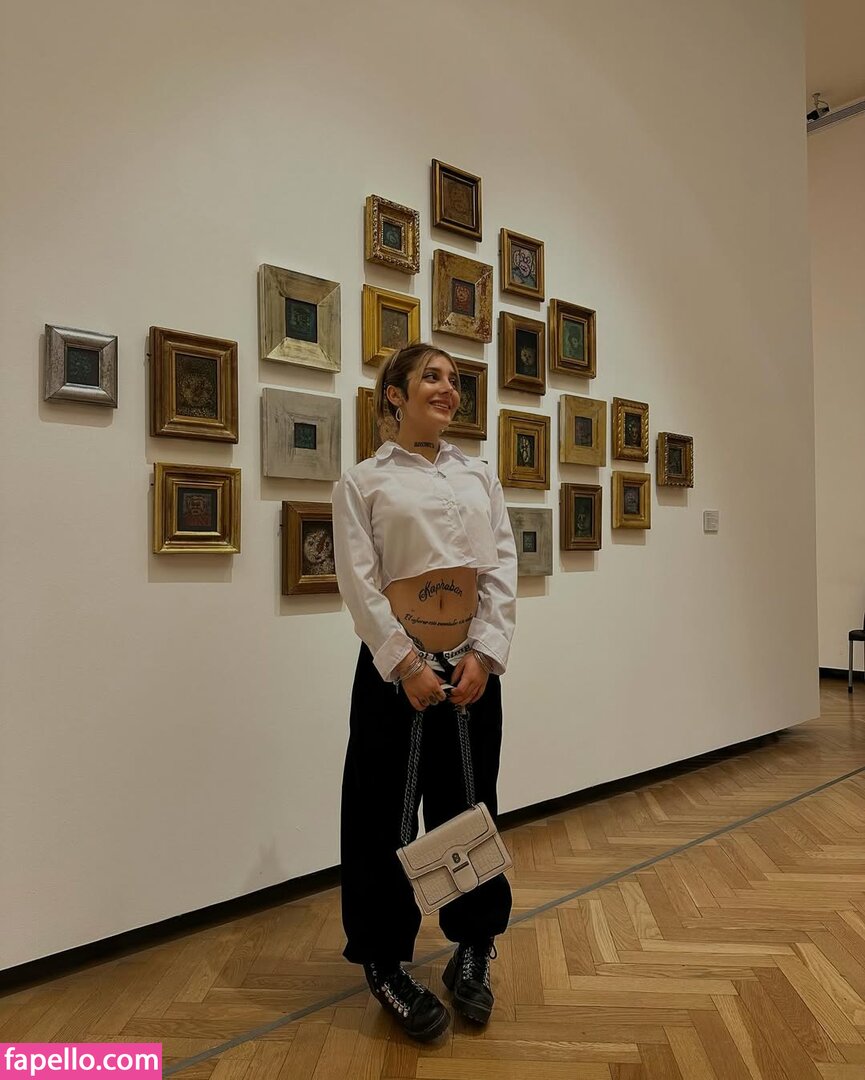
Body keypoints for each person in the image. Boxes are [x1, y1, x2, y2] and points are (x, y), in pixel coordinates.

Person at [332, 342, 517, 1041]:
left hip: (470, 672)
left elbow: (498, 568)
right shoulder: (364, 482)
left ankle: (473, 944)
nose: (448, 388)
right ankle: (384, 960)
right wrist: (404, 663)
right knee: (381, 815)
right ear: (395, 393)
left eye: (454, 380)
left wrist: (486, 653)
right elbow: (358, 581)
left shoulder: (478, 477)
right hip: (395, 675)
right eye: (431, 377)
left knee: (468, 808)